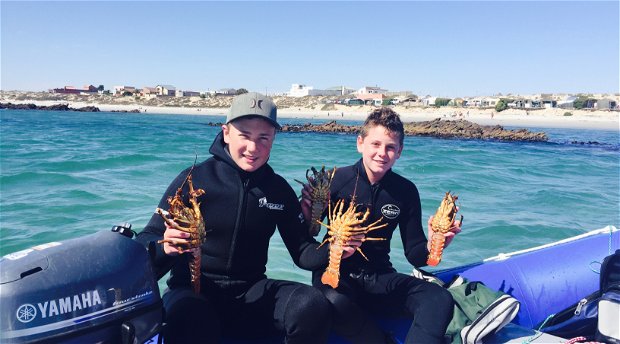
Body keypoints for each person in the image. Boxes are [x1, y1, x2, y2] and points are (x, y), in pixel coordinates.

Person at [136, 92, 359, 343]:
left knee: (311, 305)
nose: (253, 148)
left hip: (252, 290)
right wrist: (164, 246)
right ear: (226, 132)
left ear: (274, 138)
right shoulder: (194, 179)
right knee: (192, 317)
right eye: (244, 135)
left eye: (263, 137)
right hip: (192, 291)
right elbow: (145, 240)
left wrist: (336, 246)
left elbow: (303, 253)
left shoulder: (278, 189)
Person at [301, 107, 462, 344]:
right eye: (375, 144)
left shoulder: (405, 191)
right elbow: (307, 237)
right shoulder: (335, 181)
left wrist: (435, 244)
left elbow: (415, 255)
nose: (381, 153)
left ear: (399, 152)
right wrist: (306, 217)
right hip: (335, 275)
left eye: (390, 147)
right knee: (333, 302)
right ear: (360, 143)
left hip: (379, 276)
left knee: (438, 298)